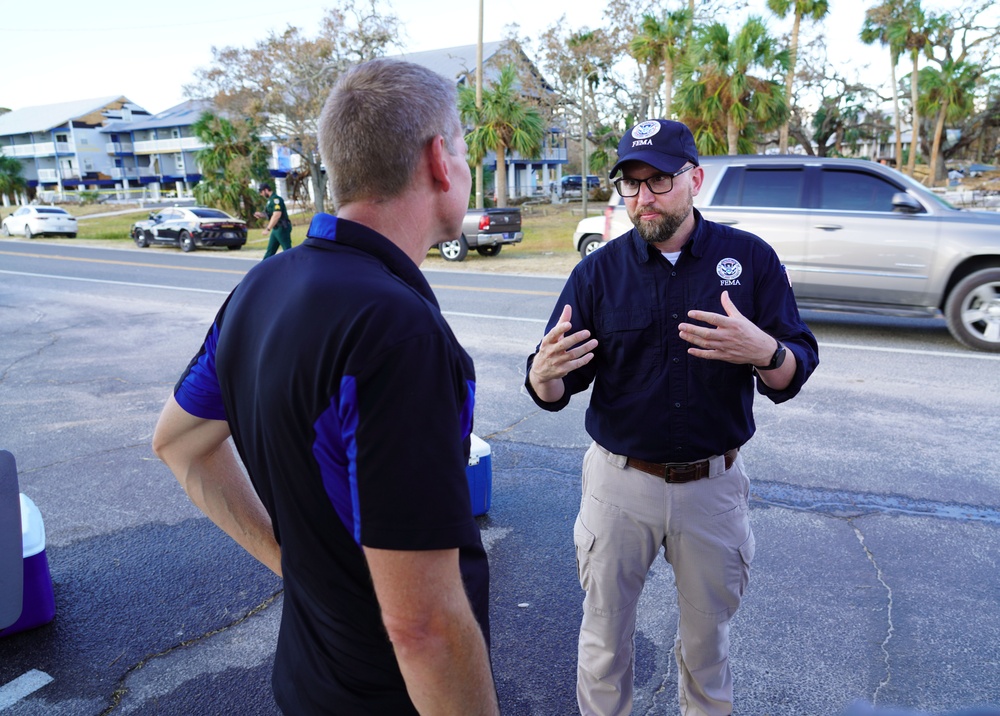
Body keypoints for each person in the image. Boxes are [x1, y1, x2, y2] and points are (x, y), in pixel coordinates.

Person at [152, 58, 498, 716]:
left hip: (305, 684)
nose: (466, 164)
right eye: (462, 145)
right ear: (436, 159)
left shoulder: (260, 287)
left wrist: (295, 566)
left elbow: (179, 444)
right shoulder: (400, 335)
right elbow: (422, 627)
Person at [525, 119, 819, 716]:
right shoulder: (597, 274)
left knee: (708, 651)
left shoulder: (750, 260)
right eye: (630, 185)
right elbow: (557, 383)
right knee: (604, 645)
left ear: (695, 180)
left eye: (659, 179)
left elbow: (794, 368)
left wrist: (763, 351)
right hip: (618, 486)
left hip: (712, 488)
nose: (643, 197)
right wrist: (540, 375)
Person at [254, 183, 292, 259]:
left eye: (261, 192)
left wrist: (268, 229)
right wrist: (261, 215)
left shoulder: (276, 200)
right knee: (270, 251)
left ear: (266, 190)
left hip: (282, 228)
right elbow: (270, 214)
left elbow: (277, 215)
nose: (261, 194)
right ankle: (263, 269)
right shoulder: (270, 201)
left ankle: (296, 267)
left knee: (288, 251)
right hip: (276, 229)